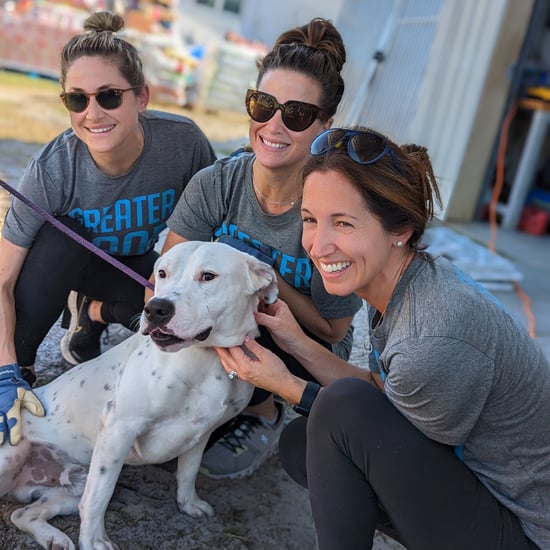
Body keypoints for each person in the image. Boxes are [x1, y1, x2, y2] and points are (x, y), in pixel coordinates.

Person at [215, 127, 550, 549]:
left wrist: (285, 385)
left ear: (401, 229)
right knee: (305, 445)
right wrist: (296, 341)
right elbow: (382, 398)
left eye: (344, 223)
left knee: (334, 418)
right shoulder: (402, 281)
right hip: (483, 493)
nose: (319, 246)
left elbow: (376, 430)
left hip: (528, 531)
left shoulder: (433, 335)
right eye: (310, 220)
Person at [0, 11, 216, 446]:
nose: (92, 113)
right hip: (67, 264)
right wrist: (3, 371)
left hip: (136, 268)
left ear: (142, 97)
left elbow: (214, 228)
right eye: (77, 100)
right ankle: (23, 370)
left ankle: (91, 314)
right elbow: (1, 279)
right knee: (60, 235)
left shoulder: (184, 142)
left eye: (109, 96)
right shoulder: (54, 169)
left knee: (172, 329)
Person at [161, 18, 363, 479]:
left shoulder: (334, 208)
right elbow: (166, 275)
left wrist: (259, 272)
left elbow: (333, 329)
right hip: (226, 315)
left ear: (324, 124)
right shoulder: (218, 182)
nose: (274, 125)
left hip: (301, 338)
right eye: (263, 105)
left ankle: (262, 412)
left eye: (295, 114)